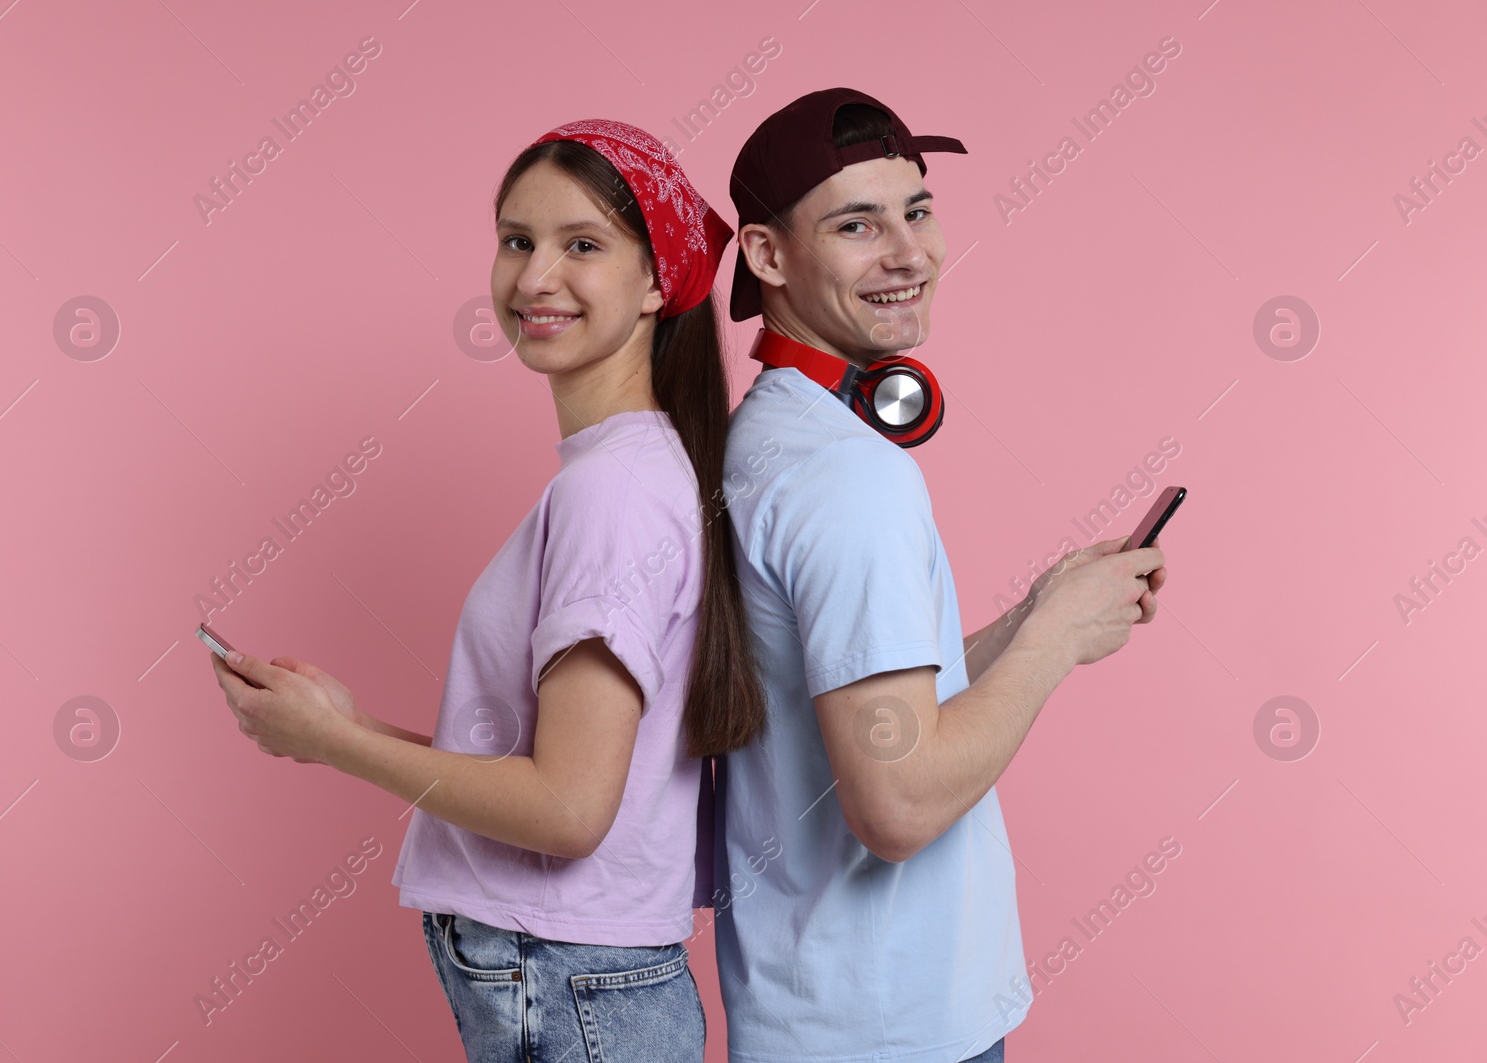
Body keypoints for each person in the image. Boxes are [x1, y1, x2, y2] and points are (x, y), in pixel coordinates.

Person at [208, 118, 766, 1062]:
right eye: (517, 240)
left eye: (581, 245)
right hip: (580, 977)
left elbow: (567, 811)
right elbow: (567, 774)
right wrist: (349, 725)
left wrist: (337, 746)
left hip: (567, 976)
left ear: (659, 281)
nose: (534, 277)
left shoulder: (613, 494)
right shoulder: (634, 472)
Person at [711, 88, 1170, 1062]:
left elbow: (849, 704)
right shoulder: (848, 477)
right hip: (890, 1032)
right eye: (856, 224)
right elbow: (897, 800)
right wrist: (1050, 646)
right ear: (766, 255)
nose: (909, 253)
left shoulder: (772, 432)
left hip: (823, 1017)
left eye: (916, 211)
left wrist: (1034, 614)